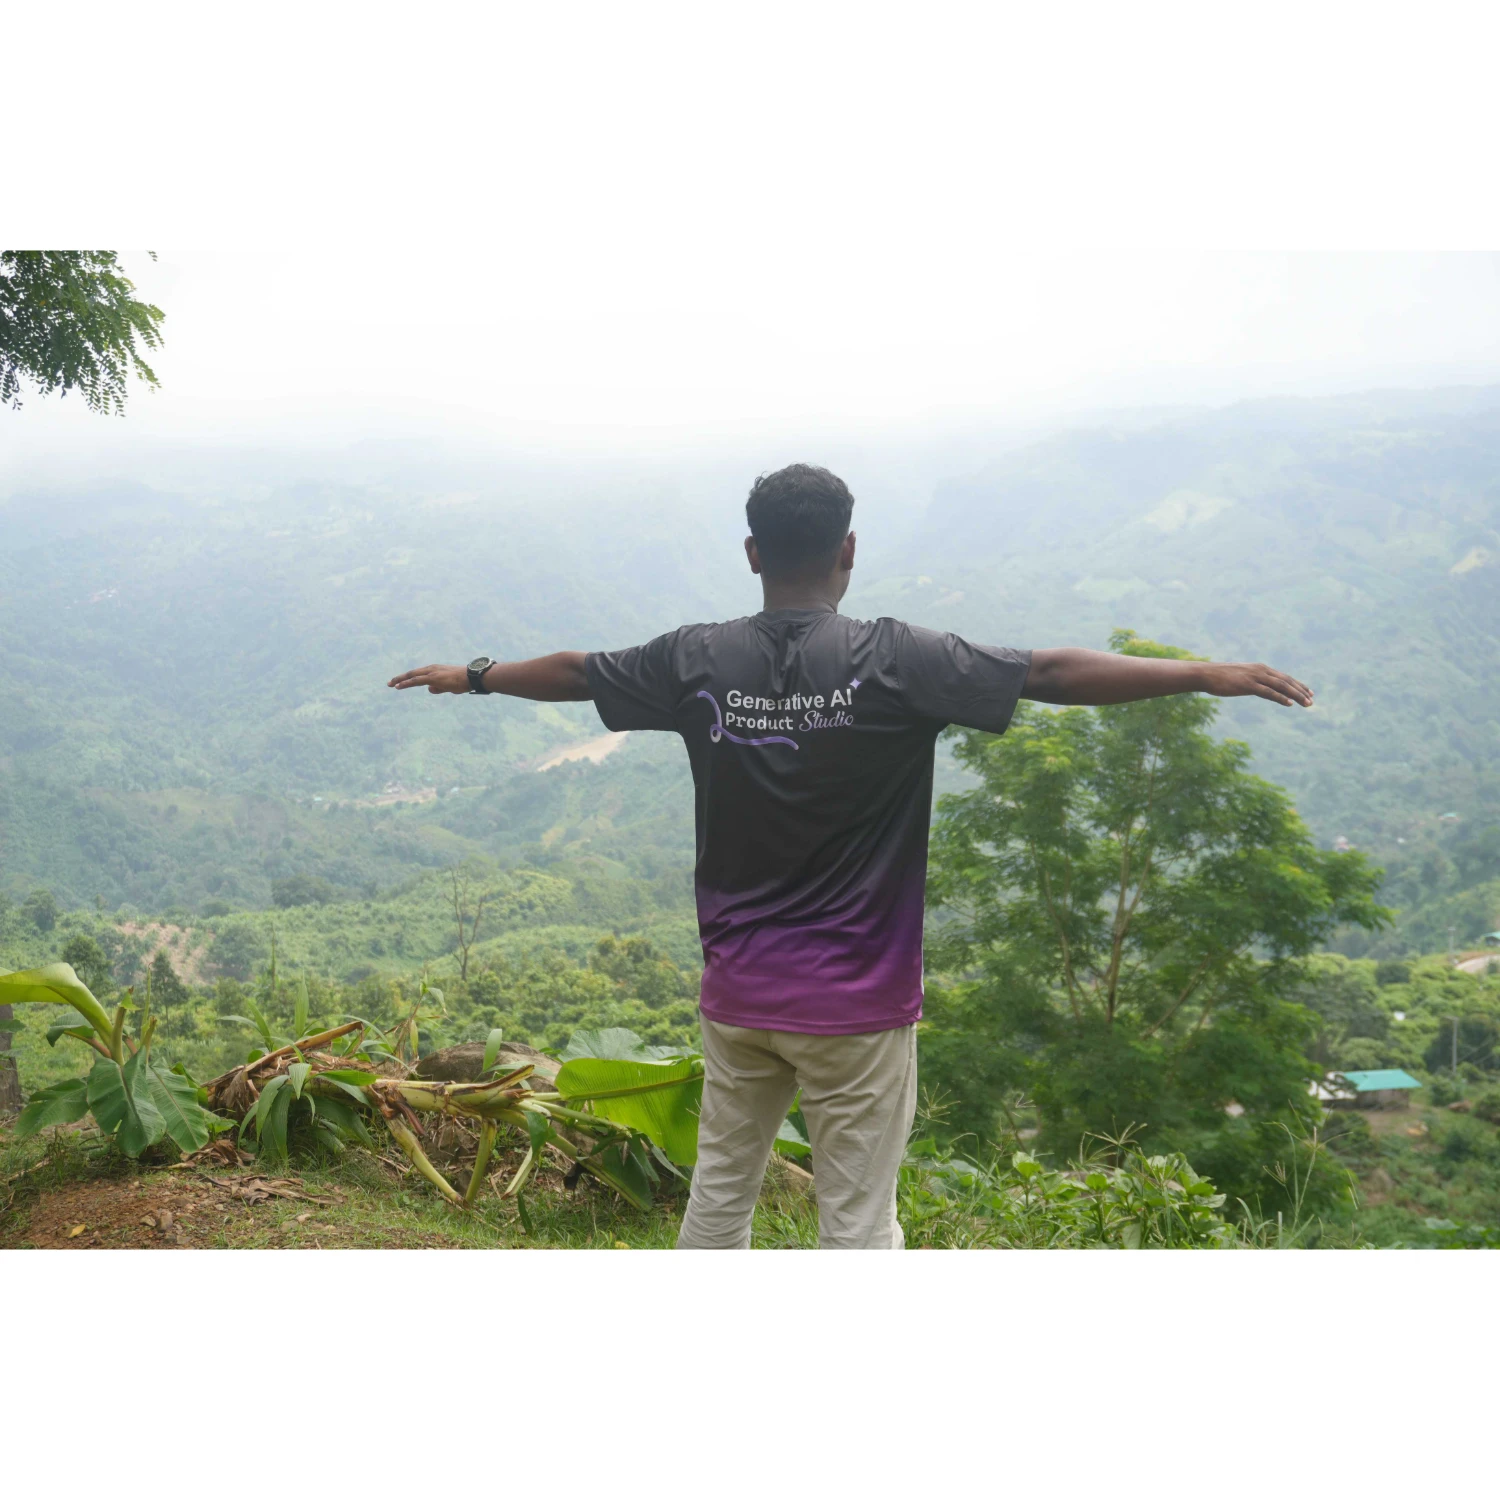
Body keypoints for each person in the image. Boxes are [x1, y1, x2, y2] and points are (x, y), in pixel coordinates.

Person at [389, 463, 1313, 1249]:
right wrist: (1202, 673)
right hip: (859, 1008)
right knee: (858, 1228)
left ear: (752, 553)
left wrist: (472, 675)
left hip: (740, 996)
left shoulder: (695, 658)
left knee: (718, 1201)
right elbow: (1051, 673)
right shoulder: (897, 659)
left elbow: (575, 671)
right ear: (849, 550)